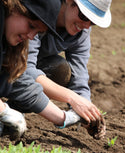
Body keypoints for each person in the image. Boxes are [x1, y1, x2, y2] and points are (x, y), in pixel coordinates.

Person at [4, 0, 112, 139]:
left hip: (18, 69)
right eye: (84, 16)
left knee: (59, 70)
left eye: (93, 22)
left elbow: (79, 76)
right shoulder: (38, 11)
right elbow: (24, 68)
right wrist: (72, 99)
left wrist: (86, 112)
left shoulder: (81, 32)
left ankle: (13, 111)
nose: (86, 26)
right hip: (12, 63)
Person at [0, 0, 65, 138]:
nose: (30, 36)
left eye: (38, 32)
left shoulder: (9, 41)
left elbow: (18, 81)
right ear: (15, 8)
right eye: (31, 25)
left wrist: (64, 118)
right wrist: (3, 110)